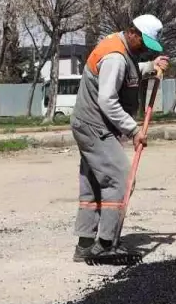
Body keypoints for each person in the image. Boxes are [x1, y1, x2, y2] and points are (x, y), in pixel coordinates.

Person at [71, 14, 169, 265]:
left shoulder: (121, 49)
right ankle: (105, 244)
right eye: (144, 43)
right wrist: (133, 130)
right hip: (95, 125)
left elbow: (129, 74)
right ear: (133, 32)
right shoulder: (115, 55)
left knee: (93, 182)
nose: (146, 48)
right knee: (121, 179)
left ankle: (85, 245)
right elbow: (107, 100)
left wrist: (150, 67)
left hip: (88, 123)